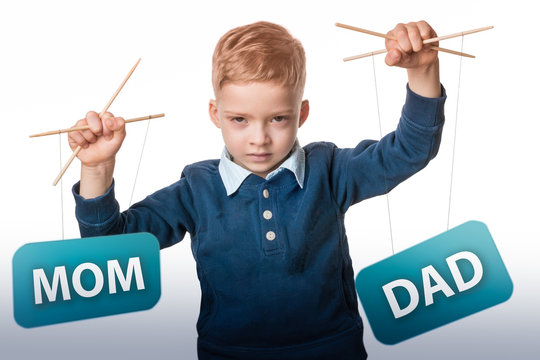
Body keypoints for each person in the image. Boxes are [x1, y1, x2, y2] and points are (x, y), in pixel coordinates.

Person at [70, 20, 446, 359]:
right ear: (216, 114)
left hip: (333, 350)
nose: (259, 139)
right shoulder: (196, 189)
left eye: (278, 119)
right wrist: (97, 167)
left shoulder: (329, 170)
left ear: (301, 114)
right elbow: (111, 250)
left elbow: (409, 151)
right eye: (239, 120)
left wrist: (423, 70)